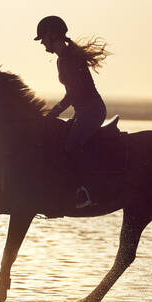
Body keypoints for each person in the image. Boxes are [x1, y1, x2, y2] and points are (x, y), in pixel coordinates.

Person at [34, 15, 110, 208]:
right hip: (83, 110)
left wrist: (53, 113)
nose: (42, 43)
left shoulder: (69, 58)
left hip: (92, 110)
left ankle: (83, 192)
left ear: (52, 36)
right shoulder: (62, 60)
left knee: (71, 145)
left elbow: (73, 93)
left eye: (43, 38)